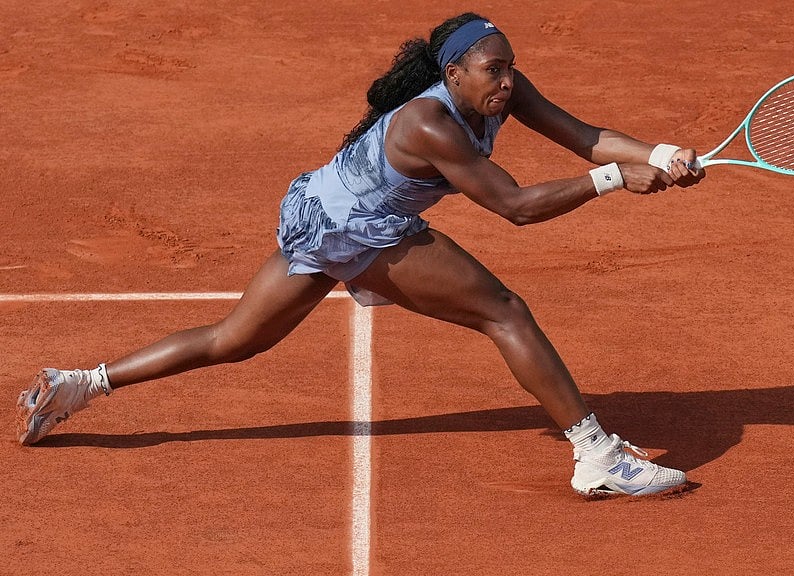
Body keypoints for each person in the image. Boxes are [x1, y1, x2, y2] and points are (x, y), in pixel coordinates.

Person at [16, 13, 705, 497]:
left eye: (510, 68)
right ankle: (595, 455)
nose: (507, 80)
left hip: (320, 211)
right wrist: (615, 180)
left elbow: (582, 135)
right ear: (453, 71)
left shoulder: (501, 90)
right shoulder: (428, 122)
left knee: (234, 338)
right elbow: (515, 206)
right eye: (493, 69)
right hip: (356, 228)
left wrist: (658, 154)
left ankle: (82, 382)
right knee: (504, 311)